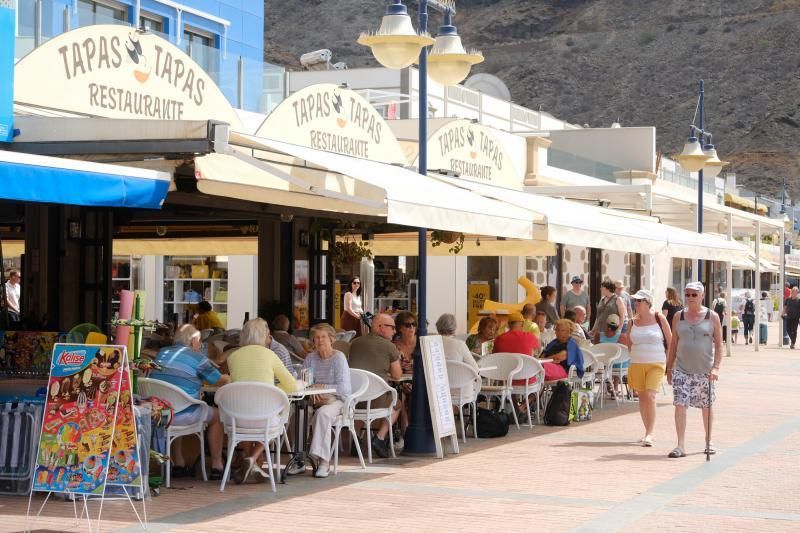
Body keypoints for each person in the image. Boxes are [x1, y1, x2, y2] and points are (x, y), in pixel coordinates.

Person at [150, 324, 230, 480]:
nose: (200, 345)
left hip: (162, 413)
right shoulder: (198, 358)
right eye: (199, 341)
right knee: (218, 415)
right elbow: (219, 381)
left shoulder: (161, 353)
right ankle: (217, 465)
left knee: (176, 404)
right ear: (193, 341)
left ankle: (179, 463)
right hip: (181, 414)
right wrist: (228, 377)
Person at [227, 318, 300, 481]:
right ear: (263, 336)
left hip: (237, 419)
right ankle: (252, 459)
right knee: (278, 422)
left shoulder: (233, 356)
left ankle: (251, 466)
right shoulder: (270, 355)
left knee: (249, 418)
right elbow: (292, 386)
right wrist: (275, 391)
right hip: (264, 419)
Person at [666, 281, 722, 459]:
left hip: (705, 371)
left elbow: (719, 346)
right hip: (682, 370)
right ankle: (680, 445)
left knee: (706, 406)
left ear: (702, 295)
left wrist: (716, 368)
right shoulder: (678, 316)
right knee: (680, 405)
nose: (690, 297)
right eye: (687, 294)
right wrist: (669, 368)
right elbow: (673, 343)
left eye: (694, 294)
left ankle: (708, 440)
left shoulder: (712, 317)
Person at [619, 289, 670, 447]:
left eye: (640, 301)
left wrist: (670, 364)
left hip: (657, 362)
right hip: (637, 363)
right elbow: (629, 343)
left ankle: (650, 433)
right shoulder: (632, 322)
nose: (636, 303)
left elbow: (670, 340)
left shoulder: (659, 318)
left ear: (648, 303)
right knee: (642, 397)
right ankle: (646, 431)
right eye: (635, 301)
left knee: (650, 395)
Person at [348, 313, 402, 458]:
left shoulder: (355, 342)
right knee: (397, 404)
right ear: (381, 327)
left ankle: (357, 439)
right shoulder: (390, 346)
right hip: (376, 400)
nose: (395, 331)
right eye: (392, 327)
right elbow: (397, 375)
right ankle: (379, 438)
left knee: (361, 399)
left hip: (353, 400)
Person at [303, 323, 352, 478]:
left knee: (323, 414)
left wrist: (321, 387)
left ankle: (323, 461)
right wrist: (311, 391)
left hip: (338, 401)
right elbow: (304, 382)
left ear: (331, 339)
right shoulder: (311, 358)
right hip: (315, 399)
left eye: (323, 337)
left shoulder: (339, 358)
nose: (320, 340)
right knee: (297, 413)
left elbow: (344, 389)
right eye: (316, 338)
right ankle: (298, 459)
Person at [393, 311, 419, 429]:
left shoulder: (421, 344)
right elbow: (393, 370)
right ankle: (405, 427)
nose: (412, 328)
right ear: (400, 328)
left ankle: (412, 427)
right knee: (400, 394)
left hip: (419, 381)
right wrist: (402, 383)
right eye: (408, 325)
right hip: (401, 382)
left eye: (414, 324)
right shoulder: (394, 346)